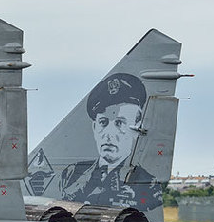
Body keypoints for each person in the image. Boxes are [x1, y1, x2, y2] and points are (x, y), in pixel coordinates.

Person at [60, 73, 161, 209]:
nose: (109, 134)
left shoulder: (149, 185)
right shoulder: (71, 174)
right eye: (103, 122)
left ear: (137, 128)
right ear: (94, 128)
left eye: (119, 123)